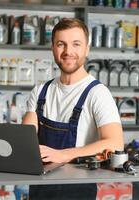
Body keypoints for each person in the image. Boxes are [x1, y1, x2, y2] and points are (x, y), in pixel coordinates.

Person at [22, 18, 124, 199]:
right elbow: (25, 139)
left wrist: (62, 155)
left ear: (87, 49)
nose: (68, 51)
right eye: (61, 44)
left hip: (77, 191)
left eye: (76, 44)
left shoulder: (97, 93)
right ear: (52, 48)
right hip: (40, 190)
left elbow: (115, 143)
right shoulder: (40, 91)